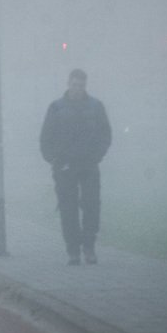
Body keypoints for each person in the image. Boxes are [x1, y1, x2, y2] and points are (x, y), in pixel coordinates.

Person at [39, 68, 112, 265]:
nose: (78, 89)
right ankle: (73, 250)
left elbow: (105, 134)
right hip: (65, 167)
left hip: (89, 164)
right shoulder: (56, 108)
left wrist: (98, 155)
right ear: (68, 84)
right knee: (68, 209)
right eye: (74, 85)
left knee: (91, 206)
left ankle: (89, 247)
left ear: (85, 86)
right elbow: (46, 137)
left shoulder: (96, 107)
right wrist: (54, 159)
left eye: (81, 85)